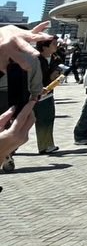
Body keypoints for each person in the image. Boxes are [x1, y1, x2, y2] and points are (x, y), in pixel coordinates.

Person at [0, 23, 48, 164]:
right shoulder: (32, 58)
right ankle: (7, 155)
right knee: (13, 130)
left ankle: (4, 154)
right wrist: (35, 97)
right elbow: (36, 85)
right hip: (18, 98)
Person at [31, 35, 63, 156]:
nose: (56, 45)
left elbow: (51, 76)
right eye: (53, 43)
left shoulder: (55, 58)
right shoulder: (36, 60)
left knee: (48, 118)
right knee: (24, 122)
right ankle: (10, 146)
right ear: (44, 46)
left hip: (48, 92)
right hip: (35, 93)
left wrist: (57, 76)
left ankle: (47, 145)